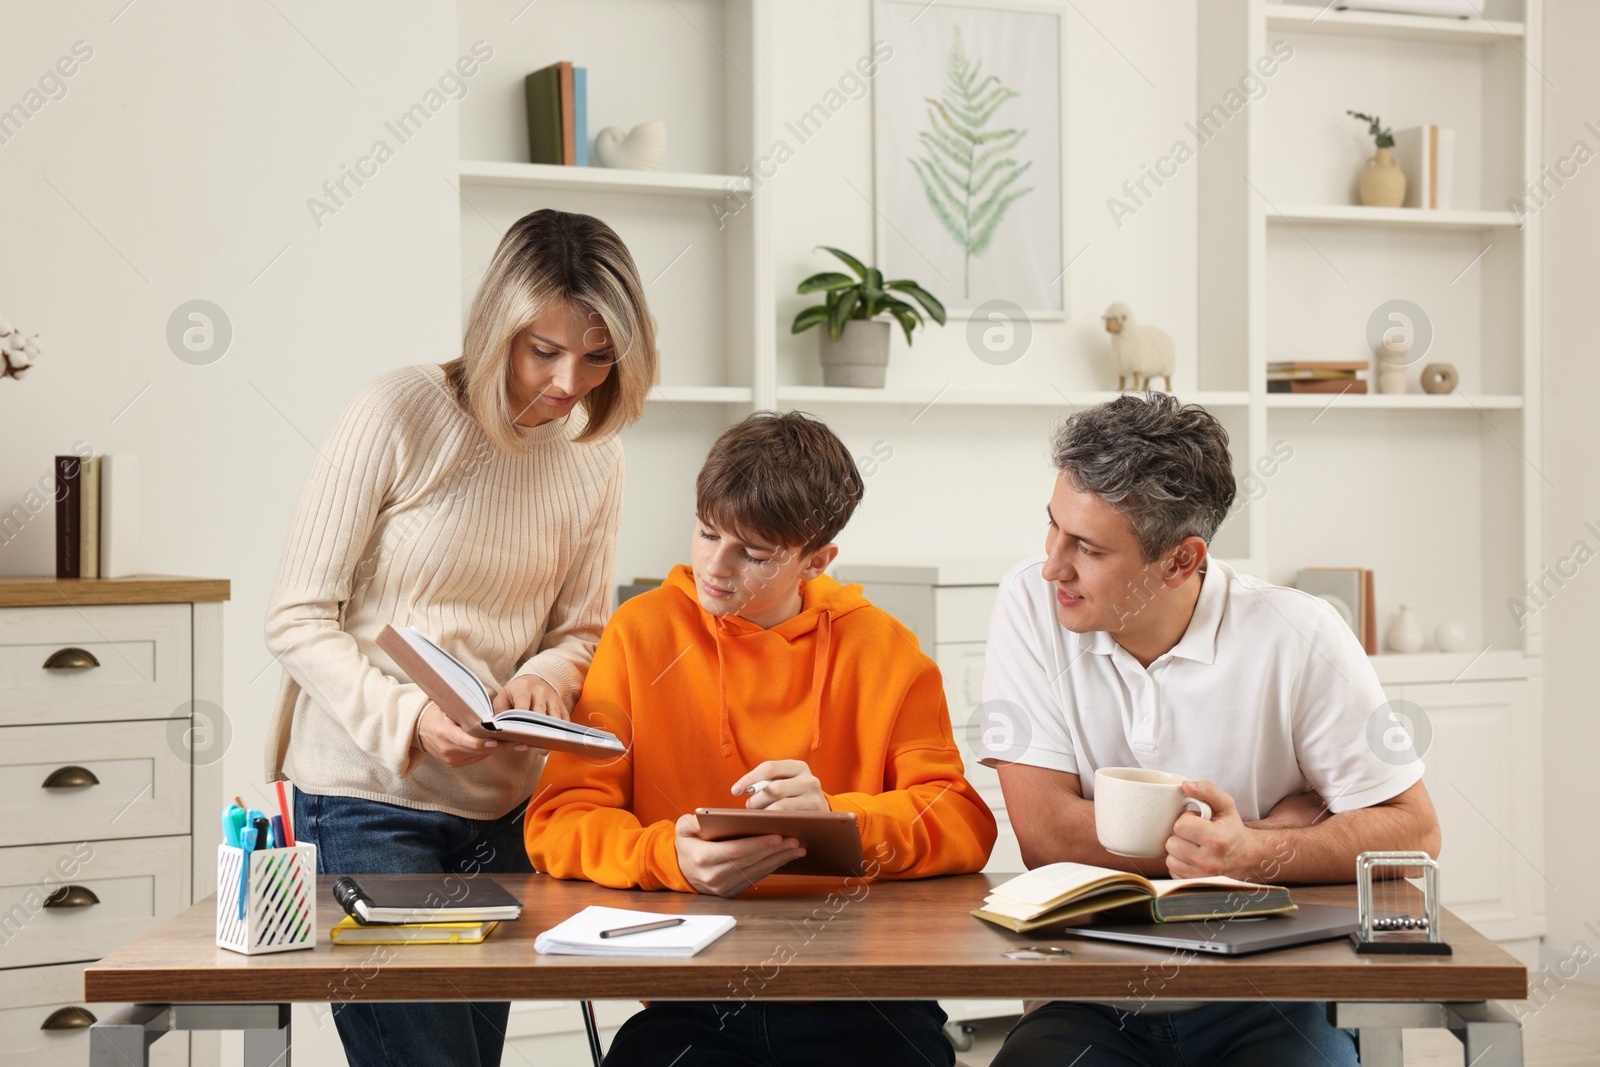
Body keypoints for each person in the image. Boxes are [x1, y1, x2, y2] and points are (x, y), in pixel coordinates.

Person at [262, 208, 657, 1067]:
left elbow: (579, 627)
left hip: (501, 807)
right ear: (495, 326)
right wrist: (410, 720)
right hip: (366, 796)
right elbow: (297, 615)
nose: (568, 382)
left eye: (597, 357)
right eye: (543, 350)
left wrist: (544, 680)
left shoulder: (596, 456)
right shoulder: (399, 411)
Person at [980, 392, 1440, 1067]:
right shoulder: (1030, 602)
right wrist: (1265, 841)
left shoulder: (1300, 632)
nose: (1054, 563)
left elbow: (1415, 834)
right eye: (1053, 528)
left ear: (1181, 560)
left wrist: (1246, 854)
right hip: (1087, 996)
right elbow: (1045, 834)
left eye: (1087, 546)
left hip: (1268, 996)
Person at [526, 411, 997, 1067]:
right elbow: (558, 819)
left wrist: (844, 818)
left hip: (865, 993)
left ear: (817, 559)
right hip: (693, 999)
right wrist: (671, 857)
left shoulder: (888, 650)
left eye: (753, 553)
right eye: (707, 531)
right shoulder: (639, 634)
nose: (715, 566)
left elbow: (962, 818)